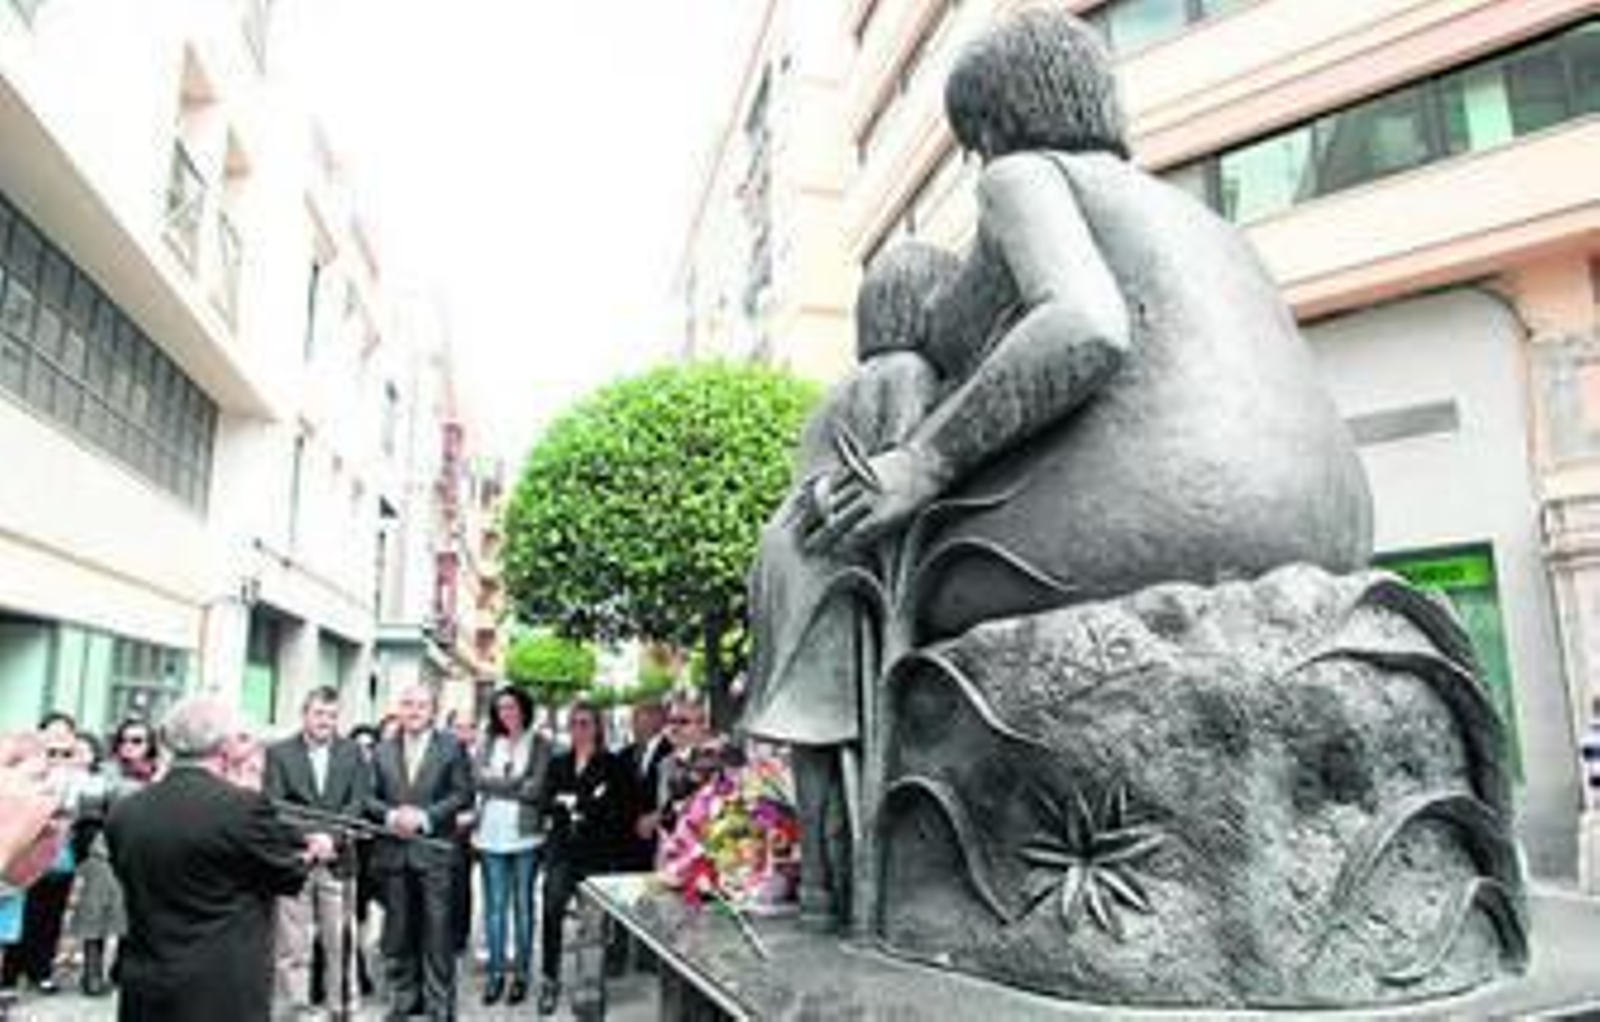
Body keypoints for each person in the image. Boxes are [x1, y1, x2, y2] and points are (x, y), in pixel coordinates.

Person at [798, 7, 1371, 637]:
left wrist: (921, 461)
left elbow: (1085, 326)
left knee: (852, 553)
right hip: (1332, 532)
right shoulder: (1210, 222)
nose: (981, 161)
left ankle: (814, 731)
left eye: (975, 144)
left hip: (1177, 522)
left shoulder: (1024, 176)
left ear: (992, 128)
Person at [742, 241, 959, 924]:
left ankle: (819, 892)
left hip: (788, 559)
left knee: (816, 742)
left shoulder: (838, 390)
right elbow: (905, 483)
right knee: (855, 736)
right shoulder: (907, 373)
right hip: (831, 570)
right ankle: (864, 892)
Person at [106, 694, 317, 1022]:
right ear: (225, 746)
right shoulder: (242, 808)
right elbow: (289, 875)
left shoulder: (126, 810)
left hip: (146, 981)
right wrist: (314, 852)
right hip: (220, 989)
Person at [363, 683, 473, 1022]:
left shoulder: (451, 746)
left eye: (421, 705)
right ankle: (405, 1001)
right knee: (400, 931)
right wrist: (391, 815)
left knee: (437, 932)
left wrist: (425, 817)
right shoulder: (381, 750)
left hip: (435, 853)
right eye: (408, 704)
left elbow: (462, 793)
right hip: (394, 854)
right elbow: (366, 797)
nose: (413, 711)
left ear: (432, 710)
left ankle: (440, 1005)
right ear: (400, 708)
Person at [264, 686, 371, 1019]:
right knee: (291, 946)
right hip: (295, 859)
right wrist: (310, 838)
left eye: (331, 715)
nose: (325, 721)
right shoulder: (280, 753)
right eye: (319, 714)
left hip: (339, 861)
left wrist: (333, 839)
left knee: (340, 940)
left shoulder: (353, 753)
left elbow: (358, 803)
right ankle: (291, 1011)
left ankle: (343, 1007)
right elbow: (275, 805)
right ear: (305, 714)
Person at [536, 701, 629, 1017]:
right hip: (561, 851)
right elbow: (545, 803)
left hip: (597, 855)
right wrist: (586, 800)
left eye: (586, 723)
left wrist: (576, 802)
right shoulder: (558, 763)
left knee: (593, 925)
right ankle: (550, 980)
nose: (579, 729)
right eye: (574, 723)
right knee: (550, 913)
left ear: (598, 727)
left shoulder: (613, 764)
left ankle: (589, 988)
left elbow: (616, 810)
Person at [471, 685, 551, 1007]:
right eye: (501, 708)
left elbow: (536, 790)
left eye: (513, 707)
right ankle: (495, 975)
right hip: (490, 833)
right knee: (494, 908)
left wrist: (499, 783)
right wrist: (516, 781)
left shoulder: (540, 743)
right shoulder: (488, 740)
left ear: (524, 709)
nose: (507, 713)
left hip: (526, 836)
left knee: (523, 906)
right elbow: (477, 778)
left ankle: (521, 975)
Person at [1, 713, 82, 995]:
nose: (58, 755)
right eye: (52, 748)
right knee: (14, 923)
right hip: (19, 864)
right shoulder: (18, 781)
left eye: (65, 750)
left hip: (55, 863)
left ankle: (38, 971)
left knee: (44, 919)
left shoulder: (78, 779)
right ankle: (8, 978)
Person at [617, 701, 671, 875]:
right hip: (626, 844)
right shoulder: (624, 755)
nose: (633, 725)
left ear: (657, 720)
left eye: (637, 718)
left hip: (658, 839)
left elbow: (678, 795)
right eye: (633, 719)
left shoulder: (671, 751)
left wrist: (657, 817)